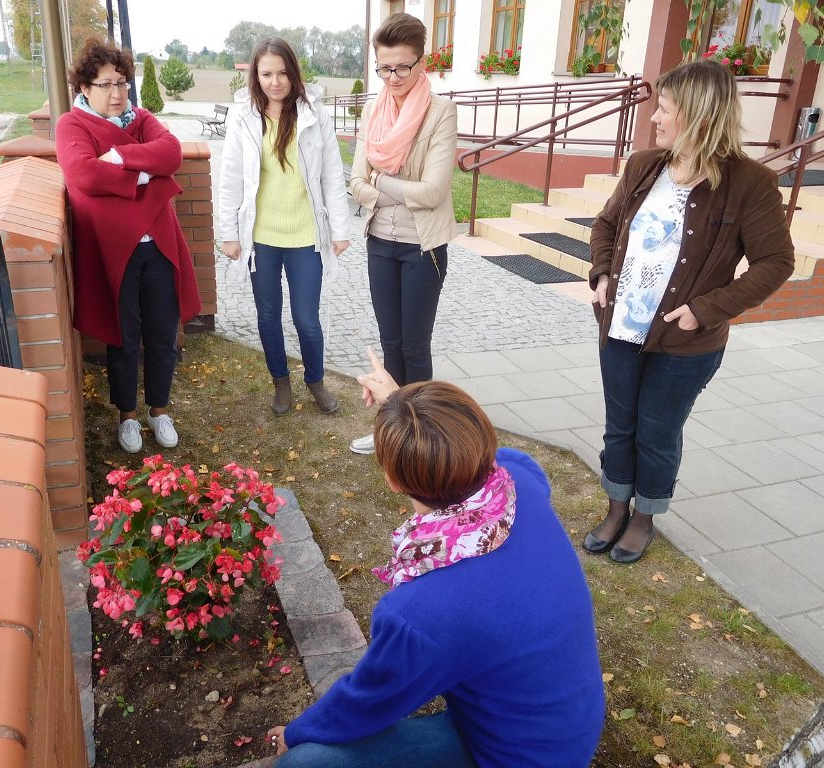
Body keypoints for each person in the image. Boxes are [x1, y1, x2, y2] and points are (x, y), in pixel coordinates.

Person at [267, 348, 606, 768]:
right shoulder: (519, 478)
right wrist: (401, 404)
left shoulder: (421, 612)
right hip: (565, 723)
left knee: (302, 763)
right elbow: (498, 462)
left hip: (514, 756)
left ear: (391, 480)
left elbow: (369, 699)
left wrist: (297, 733)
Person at [584, 59, 794, 564]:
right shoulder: (645, 166)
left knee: (657, 430)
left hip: (685, 342)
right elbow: (606, 226)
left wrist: (705, 310)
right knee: (620, 425)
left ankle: (643, 517)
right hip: (622, 327)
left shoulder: (750, 183)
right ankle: (616, 506)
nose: (655, 118)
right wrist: (603, 275)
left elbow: (776, 262)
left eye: (667, 109)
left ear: (699, 115)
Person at [56, 37, 201, 454]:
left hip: (158, 245)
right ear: (85, 88)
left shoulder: (140, 117)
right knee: (123, 336)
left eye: (122, 82)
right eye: (105, 84)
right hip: (114, 251)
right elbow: (83, 176)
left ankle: (159, 410)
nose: (117, 93)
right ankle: (128, 416)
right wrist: (146, 175)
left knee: (162, 332)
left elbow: (171, 154)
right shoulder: (73, 125)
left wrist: (119, 161)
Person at [218, 37, 350, 416]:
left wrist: (339, 229)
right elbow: (230, 179)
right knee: (267, 315)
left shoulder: (314, 114)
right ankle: (280, 382)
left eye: (282, 73)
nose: (275, 81)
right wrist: (229, 233)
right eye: (266, 74)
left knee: (307, 318)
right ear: (256, 77)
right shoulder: (243, 116)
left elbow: (330, 177)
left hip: (306, 234)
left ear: (293, 72)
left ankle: (315, 380)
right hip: (261, 237)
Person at [347, 12, 459, 456]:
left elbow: (432, 192)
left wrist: (380, 184)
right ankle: (391, 432)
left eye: (402, 67)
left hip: (422, 248)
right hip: (380, 243)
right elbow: (354, 181)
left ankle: (424, 439)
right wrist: (382, 187)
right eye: (384, 67)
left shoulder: (440, 112)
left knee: (415, 345)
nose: (392, 77)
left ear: (421, 63)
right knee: (390, 341)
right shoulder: (373, 110)